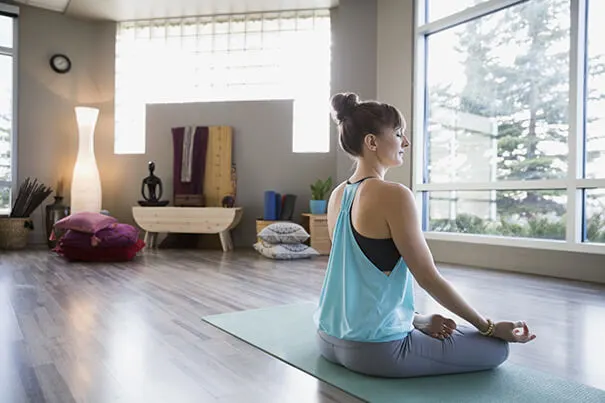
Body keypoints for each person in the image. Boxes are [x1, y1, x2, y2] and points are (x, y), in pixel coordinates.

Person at [313, 92, 536, 378]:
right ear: (371, 142)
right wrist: (490, 327)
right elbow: (428, 278)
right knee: (497, 349)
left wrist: (415, 319)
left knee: (455, 333)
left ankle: (411, 322)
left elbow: (359, 283)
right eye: (398, 133)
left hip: (328, 340)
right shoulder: (394, 195)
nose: (405, 142)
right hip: (377, 352)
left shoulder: (337, 195)